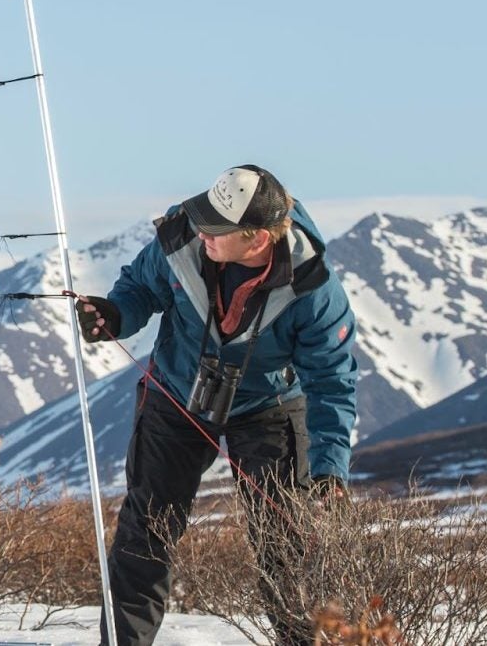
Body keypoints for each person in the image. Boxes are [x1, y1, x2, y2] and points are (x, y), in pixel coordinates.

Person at [74, 165, 357, 646]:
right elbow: (141, 288)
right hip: (175, 395)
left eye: (216, 228)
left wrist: (330, 469)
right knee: (145, 532)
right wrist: (117, 316)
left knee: (283, 540)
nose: (202, 230)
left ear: (258, 240)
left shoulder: (313, 288)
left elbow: (331, 383)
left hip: (271, 407)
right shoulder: (183, 235)